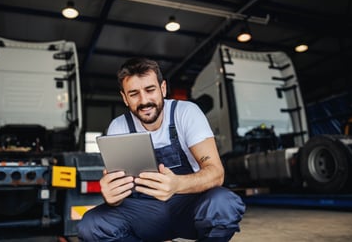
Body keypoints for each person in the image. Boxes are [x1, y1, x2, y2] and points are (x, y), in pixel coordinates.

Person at [77, 58, 245, 241]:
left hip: (187, 205)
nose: (144, 101)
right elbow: (118, 193)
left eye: (150, 90)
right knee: (91, 226)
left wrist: (177, 184)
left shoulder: (186, 113)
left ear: (163, 89)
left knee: (223, 204)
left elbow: (216, 173)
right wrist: (111, 196)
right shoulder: (118, 127)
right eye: (134, 94)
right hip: (144, 212)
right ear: (124, 98)